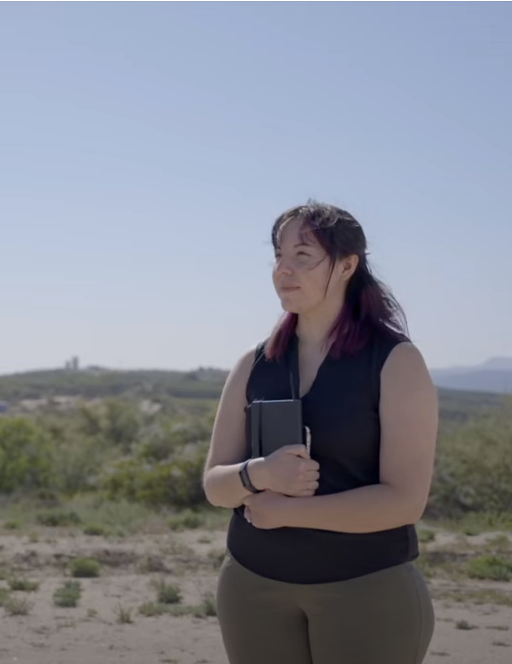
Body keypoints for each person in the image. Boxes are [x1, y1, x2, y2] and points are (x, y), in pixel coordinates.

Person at [201, 201, 438, 664]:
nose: (283, 270)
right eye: (278, 256)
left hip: (364, 589)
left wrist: (287, 513)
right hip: (251, 588)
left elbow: (405, 500)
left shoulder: (395, 361)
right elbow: (214, 484)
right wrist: (259, 473)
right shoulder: (254, 364)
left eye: (303, 256)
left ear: (348, 265)